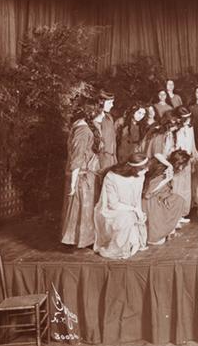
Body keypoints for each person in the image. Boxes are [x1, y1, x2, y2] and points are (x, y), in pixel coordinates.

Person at [61, 101, 103, 248]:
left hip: (87, 174)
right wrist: (73, 184)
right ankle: (72, 241)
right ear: (92, 114)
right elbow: (77, 158)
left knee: (84, 208)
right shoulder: (83, 130)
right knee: (78, 208)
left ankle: (84, 240)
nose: (102, 116)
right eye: (100, 113)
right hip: (81, 175)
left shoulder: (83, 126)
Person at [93, 153, 149, 260]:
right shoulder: (112, 177)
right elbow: (113, 205)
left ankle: (131, 242)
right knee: (127, 218)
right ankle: (118, 248)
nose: (147, 170)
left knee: (136, 222)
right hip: (112, 211)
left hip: (130, 210)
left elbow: (136, 199)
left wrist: (139, 212)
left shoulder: (140, 176)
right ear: (133, 169)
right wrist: (134, 210)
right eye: (143, 168)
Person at [142, 150, 192, 246]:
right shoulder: (164, 171)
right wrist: (166, 179)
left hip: (159, 196)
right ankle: (160, 231)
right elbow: (149, 193)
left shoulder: (167, 166)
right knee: (158, 241)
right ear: (180, 165)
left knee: (178, 200)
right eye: (184, 165)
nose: (183, 168)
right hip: (151, 201)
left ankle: (169, 229)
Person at [173, 106, 198, 218]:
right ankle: (175, 213)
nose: (188, 121)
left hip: (188, 161)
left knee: (186, 186)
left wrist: (194, 157)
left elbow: (192, 144)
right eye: (186, 119)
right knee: (177, 186)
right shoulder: (174, 129)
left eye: (189, 118)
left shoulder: (190, 128)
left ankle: (184, 212)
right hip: (178, 161)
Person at [97, 90, 118, 171]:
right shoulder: (96, 119)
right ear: (101, 103)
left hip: (111, 159)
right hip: (100, 159)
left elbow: (112, 140)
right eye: (109, 103)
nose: (112, 105)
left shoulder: (109, 118)